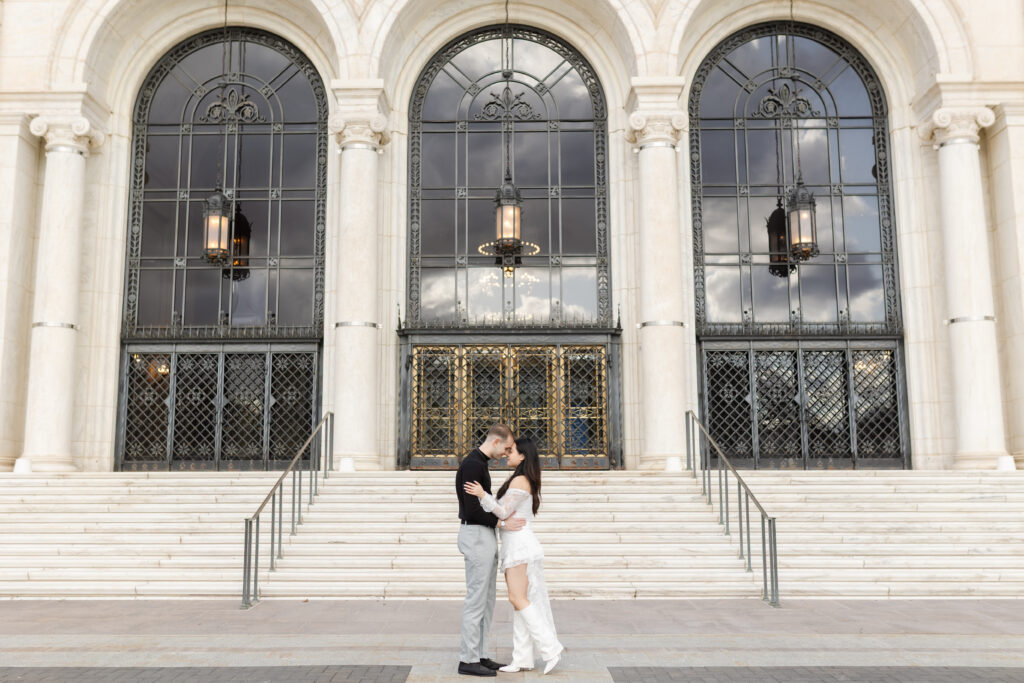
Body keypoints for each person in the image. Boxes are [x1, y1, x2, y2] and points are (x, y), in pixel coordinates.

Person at [464, 437, 563, 675]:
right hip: (515, 543)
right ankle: (522, 658)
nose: (508, 453)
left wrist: (481, 494)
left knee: (518, 598)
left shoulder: (520, 479)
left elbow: (503, 511)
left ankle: (551, 649)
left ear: (523, 456)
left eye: (512, 451)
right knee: (521, 601)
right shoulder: (519, 478)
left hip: (519, 544)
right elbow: (504, 514)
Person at [455, 423, 526, 678]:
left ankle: (480, 654)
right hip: (475, 534)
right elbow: (473, 509)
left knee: (486, 600)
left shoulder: (480, 463)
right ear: (495, 442)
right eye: (506, 448)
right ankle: (468, 659)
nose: (506, 454)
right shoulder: (473, 464)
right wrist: (501, 522)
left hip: (483, 535)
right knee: (476, 600)